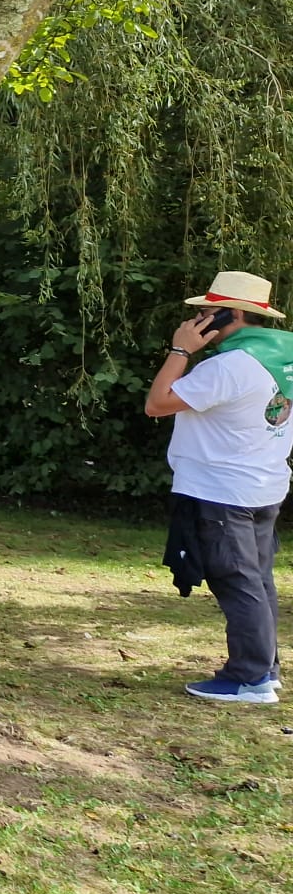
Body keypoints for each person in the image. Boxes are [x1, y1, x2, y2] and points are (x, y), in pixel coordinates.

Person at [146, 271, 293, 705]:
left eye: (208, 310)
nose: (201, 318)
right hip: (264, 484)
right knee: (257, 580)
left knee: (236, 580)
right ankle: (266, 667)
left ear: (234, 314)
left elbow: (157, 403)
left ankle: (249, 679)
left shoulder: (230, 365)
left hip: (223, 490)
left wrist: (179, 350)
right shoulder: (284, 357)